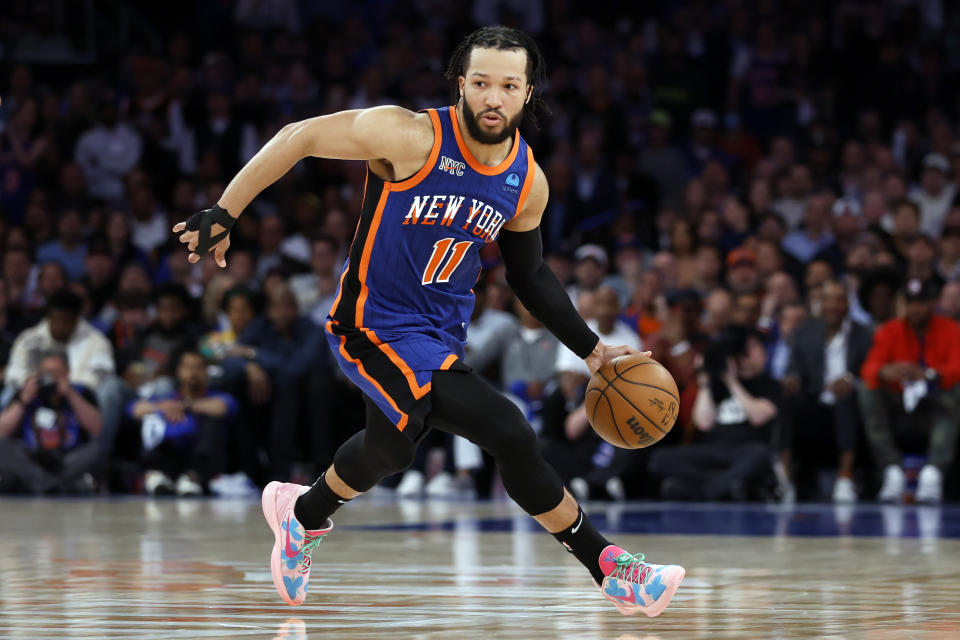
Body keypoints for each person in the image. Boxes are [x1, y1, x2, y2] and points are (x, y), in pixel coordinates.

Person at [173, 26, 684, 617]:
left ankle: (303, 516)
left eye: (508, 85)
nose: (494, 97)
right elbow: (299, 137)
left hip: (438, 338)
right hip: (370, 325)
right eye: (482, 83)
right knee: (511, 431)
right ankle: (615, 571)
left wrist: (593, 352)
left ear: (527, 94)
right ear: (461, 85)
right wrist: (225, 212)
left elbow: (530, 276)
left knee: (391, 451)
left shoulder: (527, 179)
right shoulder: (408, 135)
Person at [859, 278, 960, 503]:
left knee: (956, 391)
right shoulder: (890, 330)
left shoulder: (951, 330)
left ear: (933, 303)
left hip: (935, 411)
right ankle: (891, 470)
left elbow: (957, 367)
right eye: (911, 302)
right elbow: (868, 368)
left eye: (922, 302)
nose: (916, 309)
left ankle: (933, 473)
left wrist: (930, 374)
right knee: (868, 389)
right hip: (899, 412)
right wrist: (885, 372)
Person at [779, 281, 872, 503]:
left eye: (839, 300)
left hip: (851, 404)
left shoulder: (864, 334)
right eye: (827, 300)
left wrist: (851, 379)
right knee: (788, 397)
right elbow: (794, 367)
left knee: (845, 398)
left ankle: (845, 478)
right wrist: (792, 378)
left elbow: (871, 369)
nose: (833, 305)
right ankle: (785, 479)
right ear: (819, 304)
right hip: (815, 403)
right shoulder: (805, 333)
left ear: (848, 304)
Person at [128, 350, 237, 496]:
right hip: (171, 458)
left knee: (212, 420)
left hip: (202, 462)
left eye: (198, 368)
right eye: (188, 367)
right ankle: (157, 475)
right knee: (151, 420)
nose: (193, 372)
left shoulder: (216, 396)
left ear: (206, 372)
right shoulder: (167, 399)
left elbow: (224, 407)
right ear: (179, 371)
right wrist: (159, 408)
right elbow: (135, 409)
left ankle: (194, 478)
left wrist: (186, 406)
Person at [0, 349, 104, 494]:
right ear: (38, 374)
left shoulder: (81, 392)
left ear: (67, 373)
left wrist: (70, 394)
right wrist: (24, 399)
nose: (51, 378)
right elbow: (2, 431)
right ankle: (55, 485)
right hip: (32, 458)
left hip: (67, 459)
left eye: (57, 373)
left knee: (97, 449)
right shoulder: (26, 394)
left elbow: (96, 428)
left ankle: (43, 485)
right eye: (46, 373)